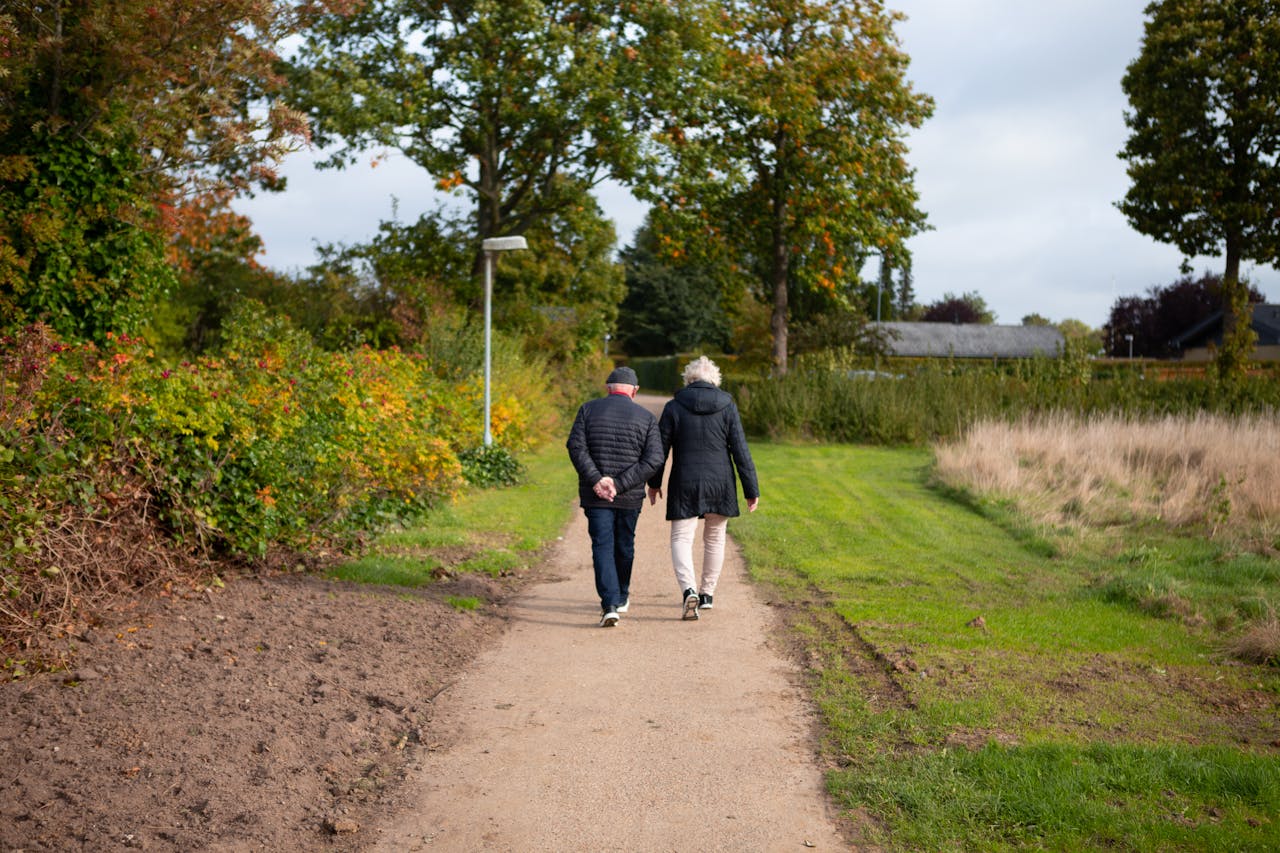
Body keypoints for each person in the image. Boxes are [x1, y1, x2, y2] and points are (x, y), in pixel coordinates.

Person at [647, 356, 759, 621]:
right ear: (714, 381)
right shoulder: (727, 405)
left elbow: (660, 450)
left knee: (681, 537)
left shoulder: (674, 406)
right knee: (715, 537)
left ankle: (689, 590)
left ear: (688, 380)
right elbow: (740, 449)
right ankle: (707, 594)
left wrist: (654, 482)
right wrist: (750, 488)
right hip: (720, 481)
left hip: (685, 479)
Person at [566, 365, 664, 627]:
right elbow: (654, 458)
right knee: (624, 545)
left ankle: (609, 603)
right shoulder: (645, 418)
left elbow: (576, 447)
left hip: (595, 494)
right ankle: (620, 596)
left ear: (608, 388)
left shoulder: (587, 409)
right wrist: (619, 484)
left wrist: (598, 480)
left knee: (602, 545)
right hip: (629, 496)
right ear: (635, 391)